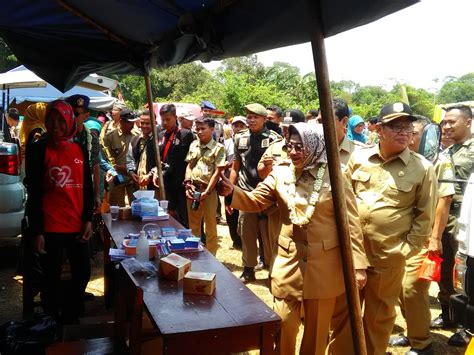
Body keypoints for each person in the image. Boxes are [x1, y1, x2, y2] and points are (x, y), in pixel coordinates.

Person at [219, 123, 368, 355]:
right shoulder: (281, 171)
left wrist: (358, 266)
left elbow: (351, 223)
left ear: (315, 145)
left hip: (324, 266)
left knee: (317, 333)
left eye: (300, 147)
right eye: (290, 146)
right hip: (288, 262)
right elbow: (256, 200)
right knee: (283, 324)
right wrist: (232, 192)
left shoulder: (336, 175)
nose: (293, 152)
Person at [345, 102, 437, 355]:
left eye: (407, 127)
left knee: (378, 320)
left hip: (389, 257)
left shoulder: (423, 168)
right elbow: (342, 200)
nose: (403, 132)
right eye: (395, 126)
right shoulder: (359, 157)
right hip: (351, 254)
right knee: (343, 317)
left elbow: (424, 216)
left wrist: (405, 251)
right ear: (379, 129)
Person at [389, 115, 454, 355]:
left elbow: (444, 200)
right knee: (399, 288)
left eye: (412, 132)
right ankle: (412, 331)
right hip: (399, 237)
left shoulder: (438, 161)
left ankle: (421, 341)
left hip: (425, 236)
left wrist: (435, 238)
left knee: (412, 288)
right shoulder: (397, 161)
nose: (406, 135)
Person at [24, 100, 94, 323]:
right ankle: (52, 323)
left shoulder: (79, 149)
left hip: (76, 225)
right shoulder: (38, 149)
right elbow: (34, 192)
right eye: (51, 121)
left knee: (82, 273)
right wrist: (37, 231)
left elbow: (88, 187)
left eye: (61, 121)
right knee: (50, 280)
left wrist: (88, 219)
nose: (56, 126)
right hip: (50, 226)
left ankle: (71, 318)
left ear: (69, 122)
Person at [432, 105, 474, 336]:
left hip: (465, 223)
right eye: (444, 122)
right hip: (443, 221)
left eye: (451, 122)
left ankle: (465, 326)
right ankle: (447, 314)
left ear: (467, 122)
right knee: (444, 271)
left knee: (465, 276)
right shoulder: (443, 151)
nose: (446, 126)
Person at [230, 103, 281, 282]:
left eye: (255, 117)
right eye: (248, 117)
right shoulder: (239, 138)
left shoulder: (274, 139)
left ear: (264, 119)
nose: (250, 120)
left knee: (270, 236)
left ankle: (273, 271)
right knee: (247, 233)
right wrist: (231, 193)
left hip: (268, 195)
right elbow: (236, 167)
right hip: (246, 193)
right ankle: (248, 269)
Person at [257, 109, 305, 267]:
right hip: (275, 209)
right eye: (283, 126)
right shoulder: (275, 147)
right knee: (273, 248)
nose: (285, 129)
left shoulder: (311, 148)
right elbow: (261, 172)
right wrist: (267, 167)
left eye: (290, 126)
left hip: (301, 209)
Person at [183, 117, 226, 255]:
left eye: (203, 129)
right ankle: (194, 253)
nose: (199, 132)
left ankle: (211, 256)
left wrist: (207, 192)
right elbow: (189, 165)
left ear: (212, 129)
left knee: (210, 226)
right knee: (194, 225)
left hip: (208, 191)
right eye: (197, 128)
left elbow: (217, 173)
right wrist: (187, 183)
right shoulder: (194, 145)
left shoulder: (218, 148)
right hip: (193, 190)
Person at [154, 103, 195, 227]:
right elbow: (159, 158)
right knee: (168, 218)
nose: (165, 122)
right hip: (166, 184)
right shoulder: (161, 135)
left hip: (181, 184)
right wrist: (156, 171)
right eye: (163, 120)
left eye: (168, 119)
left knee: (185, 219)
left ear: (175, 117)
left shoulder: (186, 135)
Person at [66, 94, 102, 212]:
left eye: (76, 114)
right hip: (67, 189)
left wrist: (96, 195)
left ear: (86, 115)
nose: (72, 117)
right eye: (70, 113)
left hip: (86, 189)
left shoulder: (91, 137)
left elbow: (96, 166)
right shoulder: (62, 136)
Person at [102, 108, 138, 207]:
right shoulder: (110, 137)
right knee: (116, 208)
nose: (132, 125)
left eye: (133, 122)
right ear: (121, 121)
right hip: (118, 177)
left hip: (133, 178)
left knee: (136, 207)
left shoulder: (137, 136)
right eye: (129, 123)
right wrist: (117, 167)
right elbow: (106, 158)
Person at [126, 110, 157, 191]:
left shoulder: (159, 139)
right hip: (138, 184)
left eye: (147, 123)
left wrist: (150, 175)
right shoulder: (135, 140)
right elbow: (129, 159)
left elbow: (162, 162)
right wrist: (132, 172)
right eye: (142, 123)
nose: (144, 126)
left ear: (155, 123)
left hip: (154, 185)